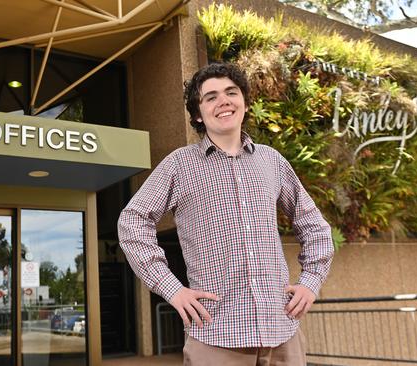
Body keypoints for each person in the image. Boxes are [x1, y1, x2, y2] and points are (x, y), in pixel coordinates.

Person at [117, 62, 334, 365]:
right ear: (197, 113)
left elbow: (315, 228)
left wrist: (311, 281)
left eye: (231, 92)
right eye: (211, 96)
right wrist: (172, 289)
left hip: (282, 332)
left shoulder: (272, 161)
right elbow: (133, 221)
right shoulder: (179, 165)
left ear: (244, 102)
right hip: (216, 337)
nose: (224, 101)